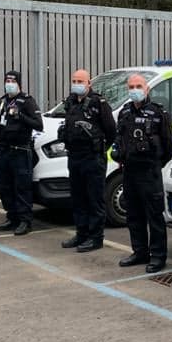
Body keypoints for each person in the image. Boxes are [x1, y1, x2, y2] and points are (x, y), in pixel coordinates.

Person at [113, 73, 172, 273]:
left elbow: (170, 144)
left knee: (154, 217)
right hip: (130, 172)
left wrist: (156, 163)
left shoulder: (158, 113)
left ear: (147, 89)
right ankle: (139, 252)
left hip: (150, 172)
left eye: (138, 85)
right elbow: (119, 139)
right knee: (134, 216)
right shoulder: (125, 113)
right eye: (131, 86)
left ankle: (158, 256)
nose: (135, 89)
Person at [59, 69, 117, 253]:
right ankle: (81, 233)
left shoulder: (99, 103)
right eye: (74, 80)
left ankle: (95, 238)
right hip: (74, 157)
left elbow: (111, 131)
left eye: (80, 81)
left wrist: (100, 150)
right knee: (78, 198)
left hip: (93, 158)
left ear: (89, 83)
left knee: (94, 199)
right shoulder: (71, 102)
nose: (76, 83)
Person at [0, 70, 43, 235]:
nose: (9, 83)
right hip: (4, 150)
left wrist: (20, 116)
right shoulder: (3, 101)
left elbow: (38, 124)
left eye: (12, 81)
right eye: (7, 80)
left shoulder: (27, 101)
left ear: (19, 83)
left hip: (20, 151)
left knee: (22, 187)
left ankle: (25, 221)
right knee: (5, 187)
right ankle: (12, 217)